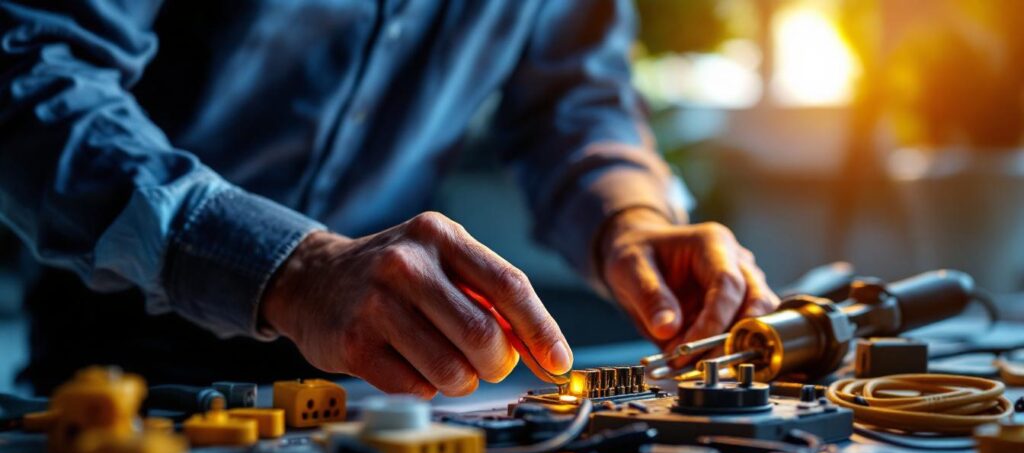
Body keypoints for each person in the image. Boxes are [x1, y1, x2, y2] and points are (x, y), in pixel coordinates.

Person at [0, 0, 777, 397]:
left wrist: (631, 218)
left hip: (385, 386)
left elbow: (575, 97)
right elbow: (29, 77)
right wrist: (291, 272)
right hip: (117, 368)